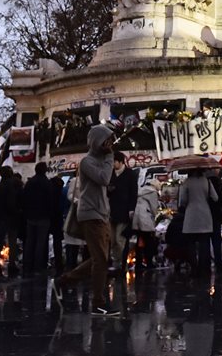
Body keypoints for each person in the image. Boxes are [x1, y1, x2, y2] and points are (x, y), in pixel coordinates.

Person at [58, 124, 119, 315]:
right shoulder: (87, 161)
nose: (109, 145)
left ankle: (64, 281)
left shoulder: (99, 161)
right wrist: (110, 157)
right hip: (91, 213)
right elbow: (104, 178)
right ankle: (98, 303)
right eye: (106, 140)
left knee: (99, 258)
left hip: (101, 213)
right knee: (100, 259)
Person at [21, 163, 53, 278]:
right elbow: (50, 201)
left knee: (30, 242)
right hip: (43, 216)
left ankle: (27, 266)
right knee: (40, 243)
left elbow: (24, 199)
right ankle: (38, 267)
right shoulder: (47, 183)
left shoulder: (30, 183)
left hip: (31, 216)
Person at [109, 152, 138, 273]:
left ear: (120, 162)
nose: (112, 164)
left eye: (114, 161)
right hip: (111, 211)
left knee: (120, 239)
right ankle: (116, 262)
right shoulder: (111, 174)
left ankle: (121, 264)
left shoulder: (130, 174)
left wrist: (131, 209)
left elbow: (133, 193)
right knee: (112, 240)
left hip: (124, 212)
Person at [131, 174, 161, 273]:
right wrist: (155, 216)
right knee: (149, 241)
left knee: (140, 241)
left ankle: (139, 263)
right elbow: (153, 208)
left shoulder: (141, 191)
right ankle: (149, 262)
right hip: (146, 218)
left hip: (137, 218)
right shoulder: (152, 193)